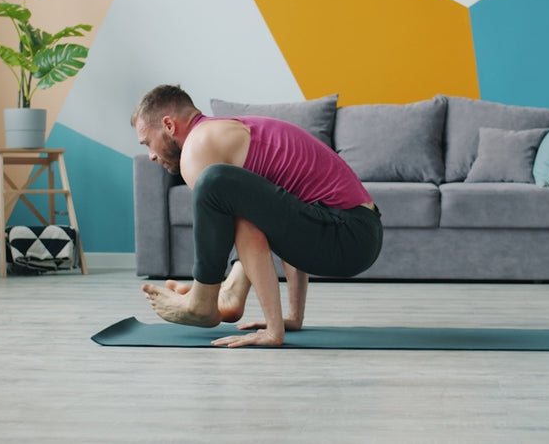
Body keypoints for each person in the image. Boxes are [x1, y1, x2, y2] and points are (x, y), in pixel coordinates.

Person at [132, 84, 382, 347]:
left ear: (169, 125)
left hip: (346, 234)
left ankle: (204, 300)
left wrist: (273, 331)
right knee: (240, 201)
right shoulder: (226, 132)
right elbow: (285, 212)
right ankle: (227, 294)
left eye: (148, 142)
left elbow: (250, 232)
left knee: (212, 181)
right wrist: (293, 317)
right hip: (357, 233)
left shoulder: (198, 146)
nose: (151, 156)